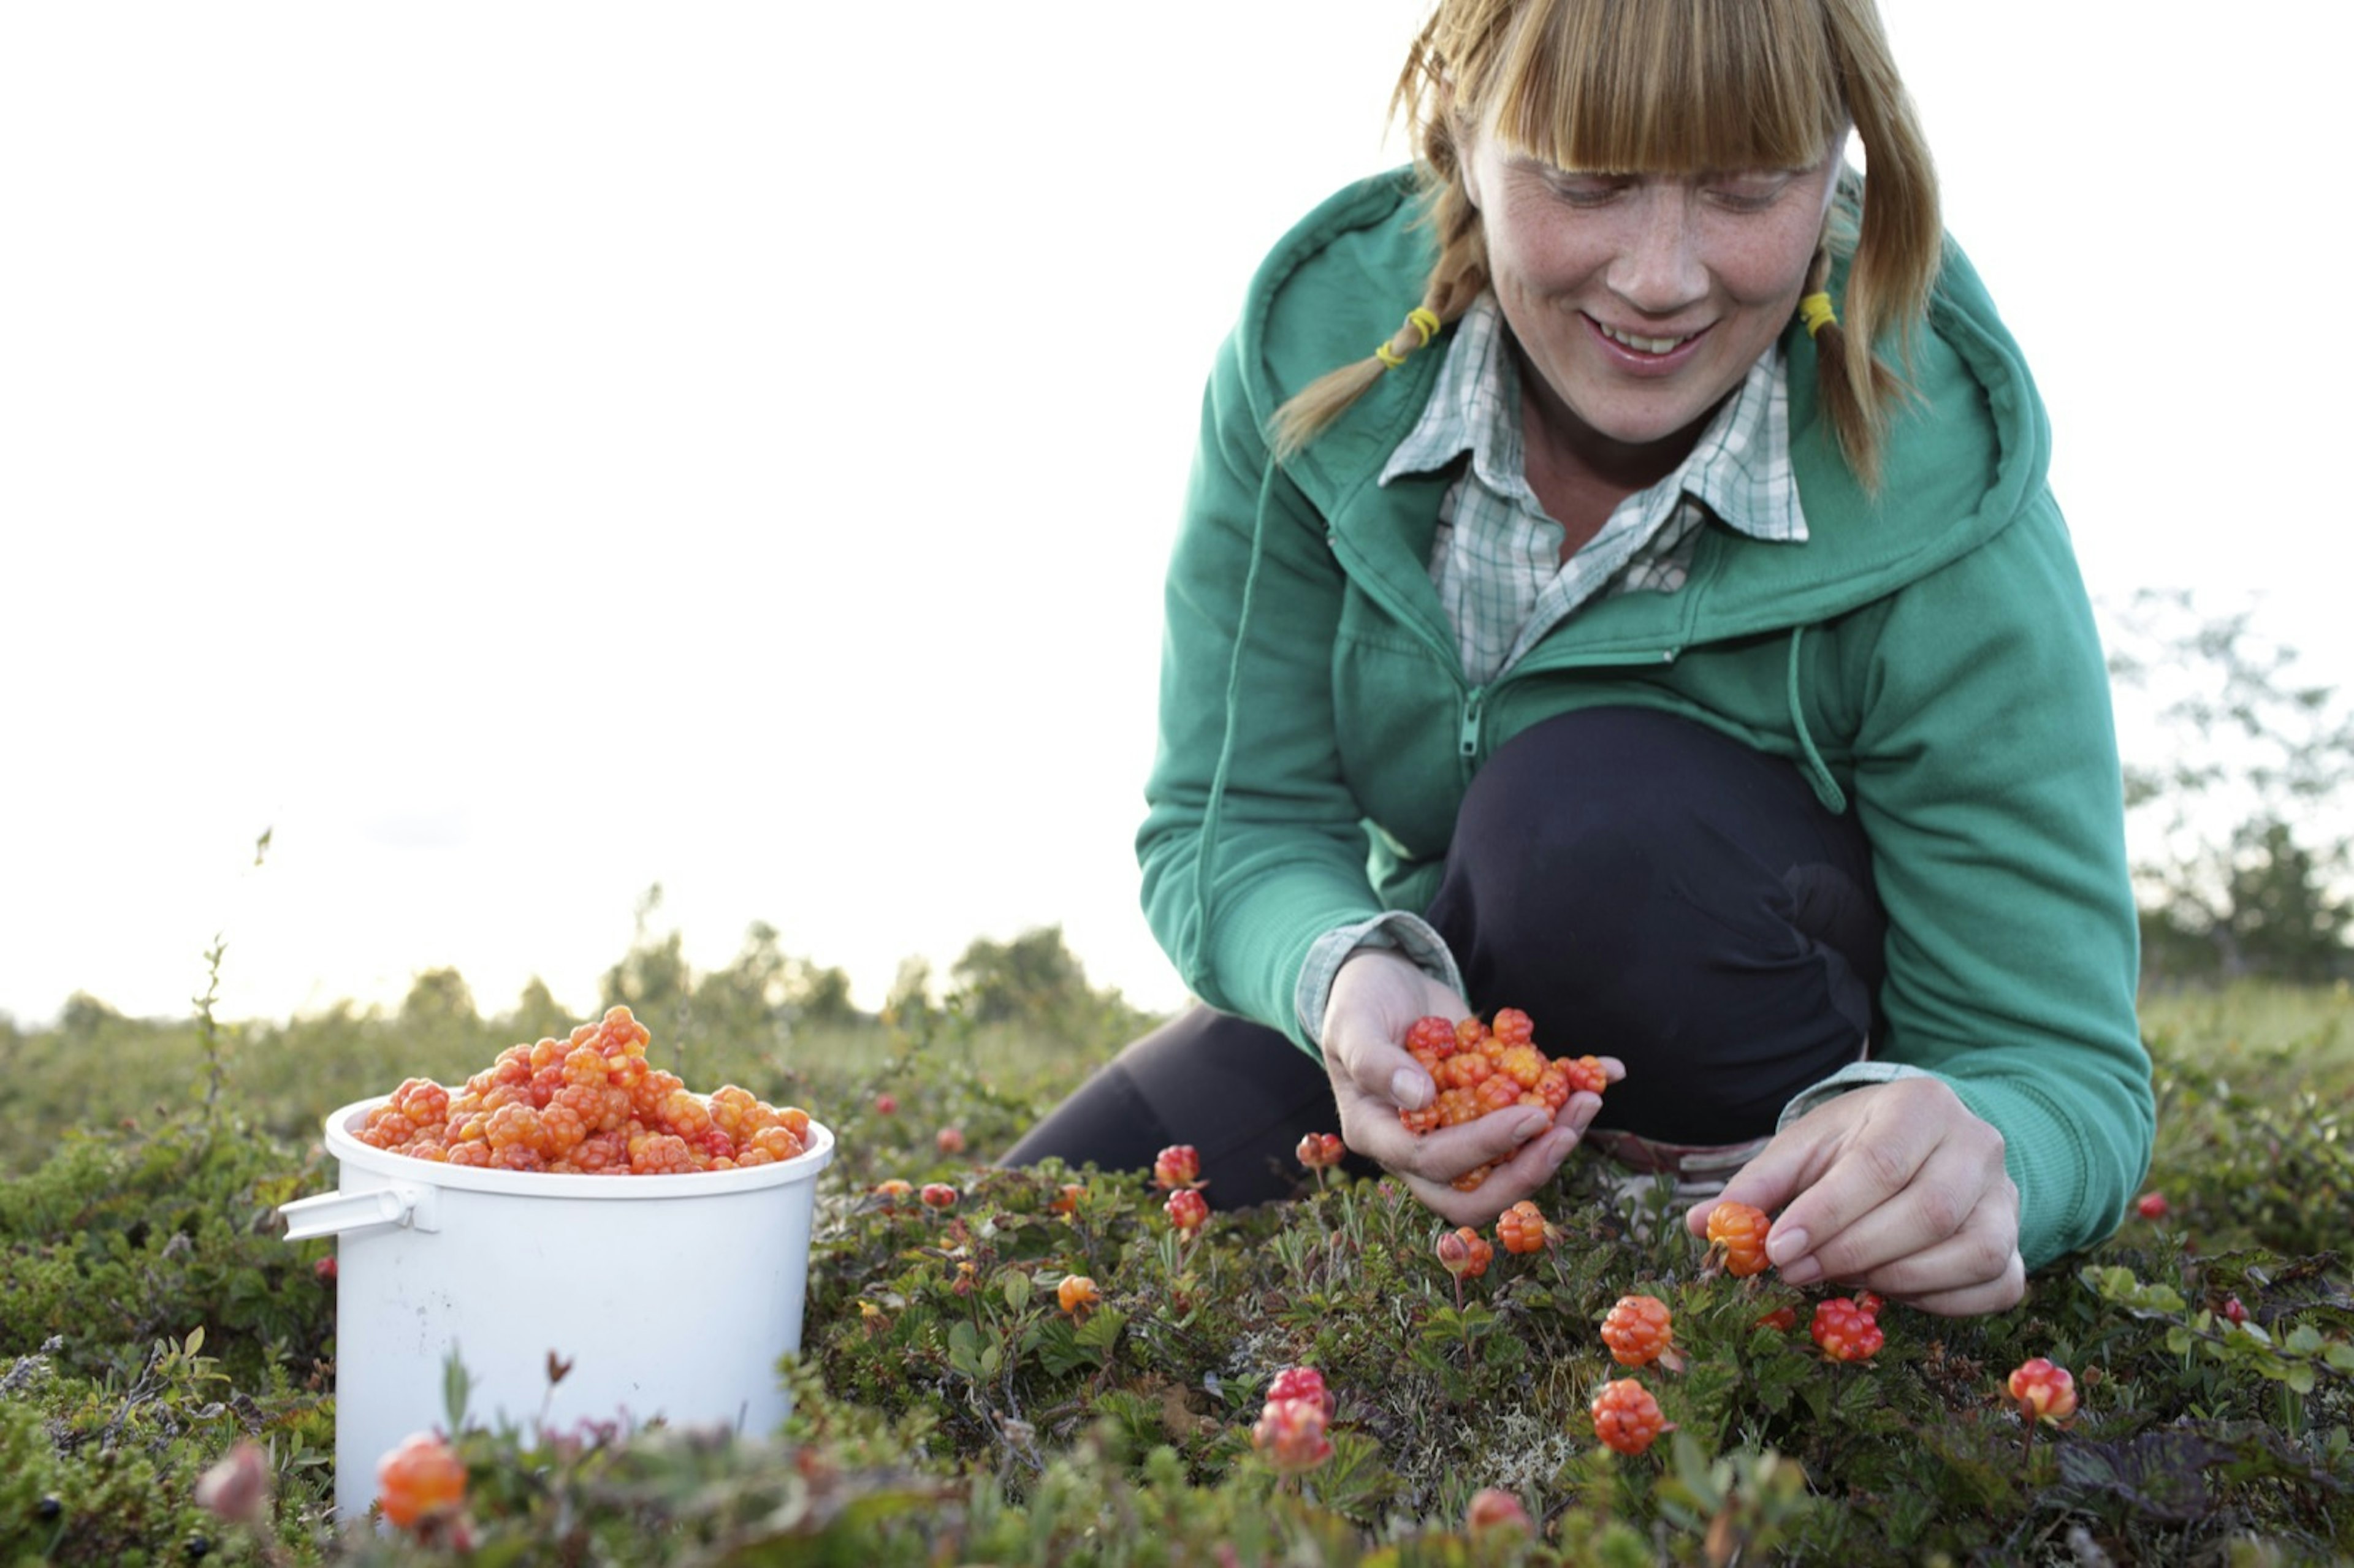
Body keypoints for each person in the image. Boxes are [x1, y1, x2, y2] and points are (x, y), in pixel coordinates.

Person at [1004, 0, 2153, 1317]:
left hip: (1781, 1068)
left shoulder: (1950, 479)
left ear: (1841, 154)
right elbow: (1234, 822)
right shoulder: (1310, 366)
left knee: (1583, 815)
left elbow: (2061, 1063)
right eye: (1587, 179)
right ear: (1461, 131)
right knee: (1026, 1243)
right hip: (1467, 983)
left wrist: (1988, 1160)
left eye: (1749, 187)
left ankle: (1682, 1242)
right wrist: (1340, 971)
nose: (1661, 277)